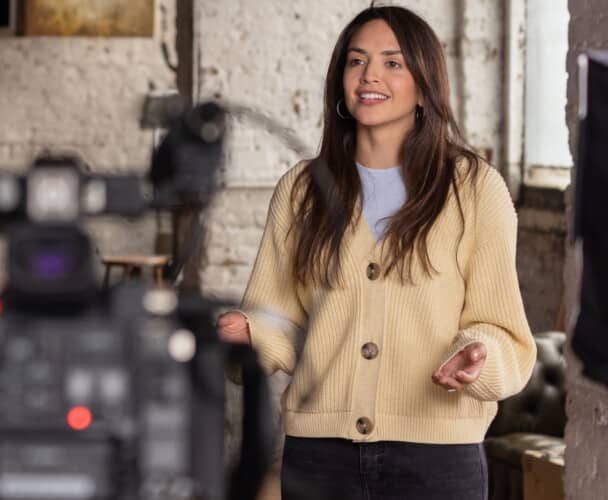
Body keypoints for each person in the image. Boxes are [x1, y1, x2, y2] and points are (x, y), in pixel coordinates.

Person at [217, 5, 537, 500]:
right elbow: (279, 316)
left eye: (393, 63)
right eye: (356, 60)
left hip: (436, 459)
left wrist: (478, 357)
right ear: (340, 80)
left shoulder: (474, 189)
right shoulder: (301, 190)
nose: (370, 76)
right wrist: (249, 332)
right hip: (319, 456)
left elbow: (504, 331)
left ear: (424, 84)